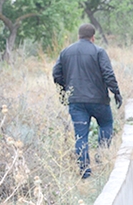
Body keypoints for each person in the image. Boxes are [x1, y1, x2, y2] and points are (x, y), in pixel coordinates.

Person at [52, 23, 123, 179]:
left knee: (81, 136)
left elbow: (56, 74)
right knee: (106, 124)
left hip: (76, 102)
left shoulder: (66, 52)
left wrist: (65, 92)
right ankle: (101, 158)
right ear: (93, 37)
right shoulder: (98, 51)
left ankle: (85, 173)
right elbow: (108, 74)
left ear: (78, 36)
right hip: (99, 101)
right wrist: (116, 92)